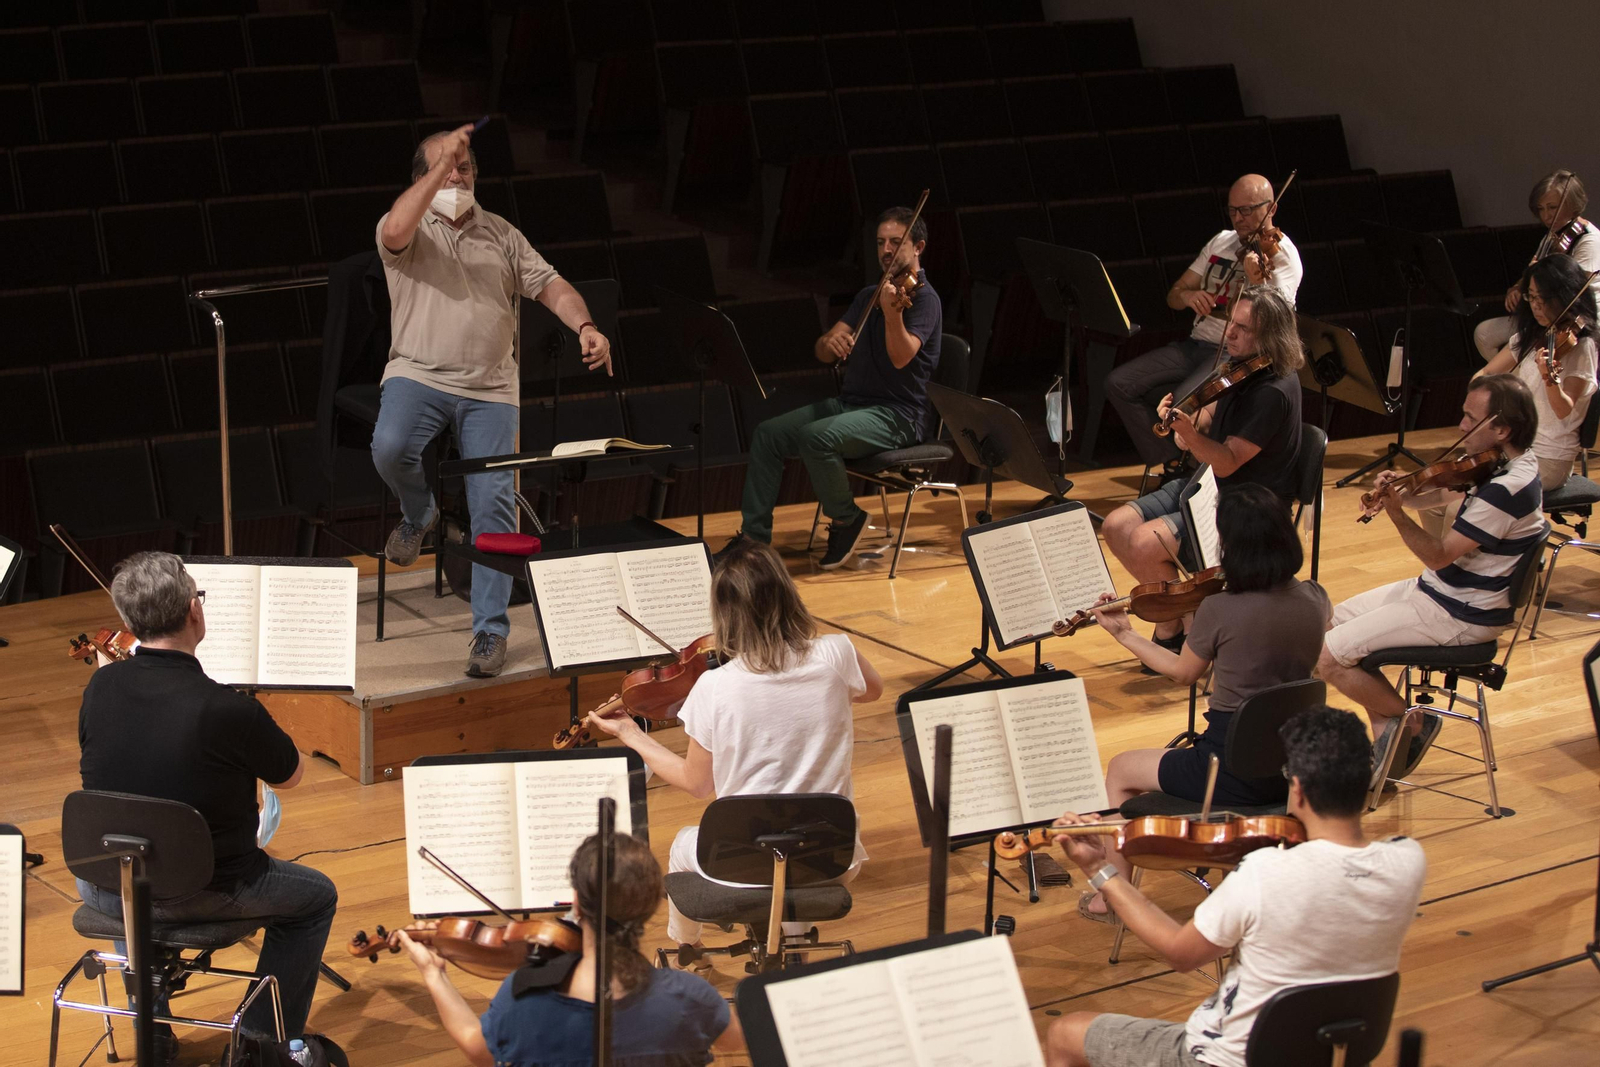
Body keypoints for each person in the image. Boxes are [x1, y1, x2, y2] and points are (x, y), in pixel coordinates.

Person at [1044, 705, 1426, 1067]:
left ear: (1297, 789)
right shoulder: (1407, 860)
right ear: (1365, 784)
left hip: (1227, 1057)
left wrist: (1099, 868)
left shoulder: (1265, 873)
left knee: (1065, 1032)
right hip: (1322, 1052)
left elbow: (1181, 954)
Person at [373, 124, 614, 677]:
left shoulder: (502, 233)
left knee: (494, 508)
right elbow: (395, 227)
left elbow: (551, 285)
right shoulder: (410, 228)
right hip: (419, 374)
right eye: (444, 167)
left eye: (464, 168)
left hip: (489, 388)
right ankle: (420, 512)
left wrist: (585, 325)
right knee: (389, 448)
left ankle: (489, 631)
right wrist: (438, 170)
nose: (456, 176)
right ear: (422, 177)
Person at [75, 552, 336, 1058]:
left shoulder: (99, 686)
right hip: (208, 889)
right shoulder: (228, 708)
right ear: (195, 612)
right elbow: (294, 775)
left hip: (106, 887)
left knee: (132, 859)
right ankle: (257, 1045)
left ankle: (151, 1029)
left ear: (129, 621)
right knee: (315, 897)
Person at [586, 538, 882, 956]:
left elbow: (697, 784)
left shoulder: (715, 687)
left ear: (725, 614)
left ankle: (687, 949)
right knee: (795, 856)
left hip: (738, 864)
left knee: (683, 843)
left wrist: (632, 735)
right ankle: (791, 936)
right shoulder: (837, 654)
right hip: (833, 859)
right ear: (788, 594)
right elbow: (871, 692)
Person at [1077, 484, 1327, 921]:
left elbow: (1183, 672)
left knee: (1119, 769)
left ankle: (1111, 900)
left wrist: (1126, 634)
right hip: (1288, 767)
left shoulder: (1220, 609)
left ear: (1230, 547)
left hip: (1227, 768)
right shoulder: (1315, 599)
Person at [1319, 375, 1543, 785]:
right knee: (1327, 626)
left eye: (1470, 419)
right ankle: (1392, 739)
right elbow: (1445, 493)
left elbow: (1438, 556)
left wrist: (1396, 512)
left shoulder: (1506, 489)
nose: (1460, 425)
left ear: (1501, 429)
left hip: (1460, 613)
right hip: (1442, 593)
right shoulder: (1502, 465)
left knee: (1327, 657)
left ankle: (1410, 725)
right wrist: (1403, 494)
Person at [717, 207, 943, 569]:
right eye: (880, 242)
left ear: (918, 247)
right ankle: (753, 540)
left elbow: (902, 357)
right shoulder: (871, 293)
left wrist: (893, 314)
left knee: (815, 437)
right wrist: (832, 341)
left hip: (898, 416)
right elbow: (822, 350)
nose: (886, 249)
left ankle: (846, 518)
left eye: (895, 242)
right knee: (768, 434)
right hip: (851, 405)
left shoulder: (924, 300)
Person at [398, 833, 742, 1066]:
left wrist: (434, 974)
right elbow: (734, 1041)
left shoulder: (523, 999)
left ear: (576, 903)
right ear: (651, 905)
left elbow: (477, 1047)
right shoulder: (691, 997)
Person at [1099, 285, 1304, 664]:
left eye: (1244, 329)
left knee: (1145, 543)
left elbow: (1227, 461)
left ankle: (1181, 632)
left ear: (1270, 337)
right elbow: (1202, 425)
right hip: (1208, 484)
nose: (1230, 334)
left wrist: (1190, 436)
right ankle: (1179, 619)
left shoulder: (1272, 391)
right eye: (1232, 324)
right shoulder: (1235, 368)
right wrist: (1182, 423)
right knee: (1114, 525)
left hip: (1248, 504)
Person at [1104, 173, 1303, 480]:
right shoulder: (1221, 242)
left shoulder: (1282, 258)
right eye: (1233, 210)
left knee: (1183, 409)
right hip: (1196, 345)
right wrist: (1190, 296)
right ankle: (1172, 463)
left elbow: (1276, 323)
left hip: (1233, 353)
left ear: (1271, 209)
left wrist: (1256, 278)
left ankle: (1189, 472)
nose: (1239, 218)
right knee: (1118, 382)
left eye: (1247, 211)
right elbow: (1173, 296)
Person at [1475, 253, 1598, 491]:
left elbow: (1564, 409)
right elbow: (1486, 372)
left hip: (1550, 459)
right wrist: (1477, 402)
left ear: (1565, 296)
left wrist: (1549, 377)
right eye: (1531, 298)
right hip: (1515, 447)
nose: (1536, 307)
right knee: (1438, 497)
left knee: (1463, 503)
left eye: (1544, 299)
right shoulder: (1532, 336)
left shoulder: (1582, 347)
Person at [1474, 170, 1599, 361]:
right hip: (1546, 313)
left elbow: (1574, 293)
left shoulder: (1589, 240)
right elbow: (1534, 271)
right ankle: (1520, 387)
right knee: (1484, 334)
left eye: (1552, 207)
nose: (1546, 216)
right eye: (1541, 209)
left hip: (1578, 320)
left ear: (1572, 204)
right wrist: (1517, 287)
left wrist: (1535, 285)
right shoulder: (1551, 237)